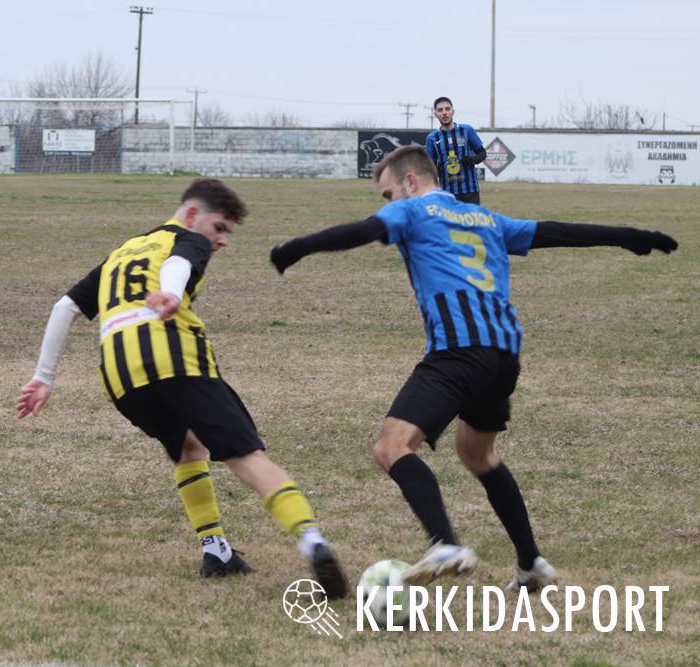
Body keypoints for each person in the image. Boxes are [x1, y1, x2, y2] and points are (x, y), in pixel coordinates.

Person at [269, 146, 677, 589]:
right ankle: (531, 563)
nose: (387, 203)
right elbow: (556, 231)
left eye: (388, 194)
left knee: (391, 447)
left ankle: (445, 543)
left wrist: (297, 248)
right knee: (477, 454)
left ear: (411, 182)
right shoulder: (486, 218)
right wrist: (630, 236)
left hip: (458, 352)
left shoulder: (412, 210)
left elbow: (364, 230)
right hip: (503, 356)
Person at [16, 178, 348, 598]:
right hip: (174, 358)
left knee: (189, 448)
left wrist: (44, 377)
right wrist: (172, 295)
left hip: (121, 377)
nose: (221, 240)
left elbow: (64, 307)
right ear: (192, 215)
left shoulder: (123, 252)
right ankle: (312, 540)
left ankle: (216, 551)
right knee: (246, 456)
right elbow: (178, 264)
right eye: (220, 228)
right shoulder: (190, 239)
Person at [425, 97, 485, 204]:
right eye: (440, 110)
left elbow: (482, 153)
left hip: (470, 191)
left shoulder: (467, 130)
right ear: (435, 114)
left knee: (472, 216)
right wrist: (436, 170)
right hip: (447, 193)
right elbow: (430, 167)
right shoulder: (432, 138)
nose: (444, 113)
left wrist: (473, 159)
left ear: (453, 111)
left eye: (447, 109)